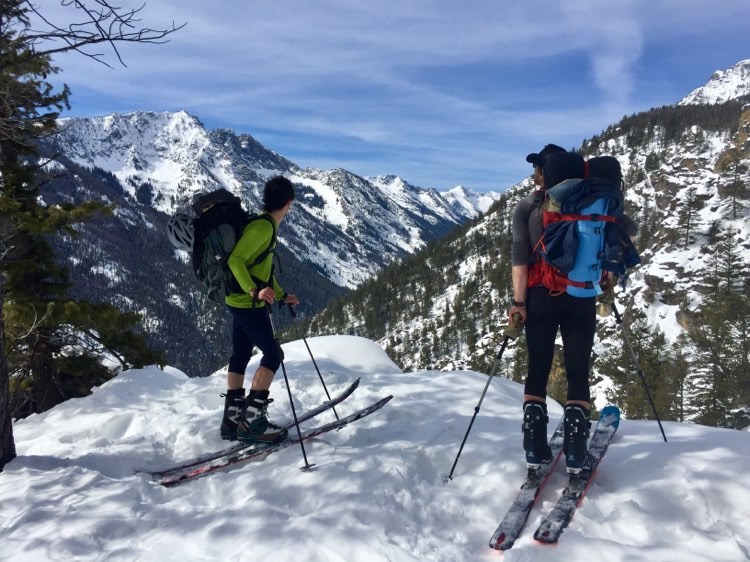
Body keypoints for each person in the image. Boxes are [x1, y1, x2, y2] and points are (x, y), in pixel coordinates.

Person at [508, 147, 597, 475]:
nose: (534, 173)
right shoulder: (593, 204)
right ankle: (575, 453)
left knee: (538, 367)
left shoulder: (527, 208)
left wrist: (519, 304)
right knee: (577, 371)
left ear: (546, 174)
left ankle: (534, 448)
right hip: (582, 296)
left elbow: (520, 260)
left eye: (538, 168)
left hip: (540, 296)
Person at [219, 176, 300, 443]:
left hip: (238, 300)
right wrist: (253, 291)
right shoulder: (263, 229)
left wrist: (280, 295)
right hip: (248, 303)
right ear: (288, 203)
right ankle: (252, 423)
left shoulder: (263, 225)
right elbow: (236, 261)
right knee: (273, 354)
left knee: (240, 353)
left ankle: (232, 421)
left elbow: (262, 269)